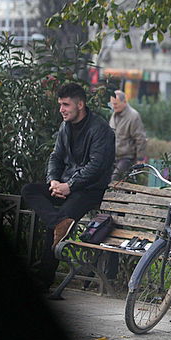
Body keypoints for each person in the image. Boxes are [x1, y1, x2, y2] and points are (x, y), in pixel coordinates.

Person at [21, 82, 115, 293]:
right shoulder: (65, 126)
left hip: (89, 191)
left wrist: (69, 186)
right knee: (30, 190)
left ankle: (44, 281)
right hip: (65, 184)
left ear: (80, 104)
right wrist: (53, 180)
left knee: (55, 224)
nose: (61, 109)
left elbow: (96, 167)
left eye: (65, 104)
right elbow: (56, 156)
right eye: (60, 105)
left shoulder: (101, 130)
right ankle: (59, 223)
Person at [109, 89, 147, 181]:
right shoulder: (114, 115)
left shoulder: (133, 116)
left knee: (114, 179)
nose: (114, 106)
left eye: (116, 104)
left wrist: (140, 158)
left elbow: (140, 138)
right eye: (112, 104)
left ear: (124, 102)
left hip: (127, 157)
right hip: (113, 156)